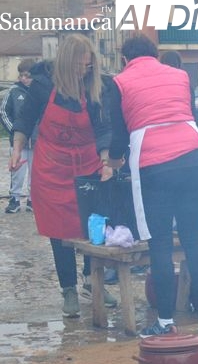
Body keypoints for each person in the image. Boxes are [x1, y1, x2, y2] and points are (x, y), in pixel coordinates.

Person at [105, 35, 198, 337]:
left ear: (124, 59)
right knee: (193, 237)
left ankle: (166, 321)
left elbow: (118, 132)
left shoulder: (119, 82)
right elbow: (189, 114)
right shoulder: (180, 75)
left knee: (159, 242)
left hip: (154, 161)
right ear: (155, 54)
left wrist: (114, 161)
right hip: (194, 155)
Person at [8, 34, 117, 317]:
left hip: (87, 165)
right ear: (68, 63)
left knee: (93, 227)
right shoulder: (43, 86)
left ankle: (92, 282)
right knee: (60, 233)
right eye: (82, 65)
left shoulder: (97, 86)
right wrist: (17, 150)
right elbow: (24, 120)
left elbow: (104, 128)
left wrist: (106, 162)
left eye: (89, 65)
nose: (86, 70)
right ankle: (68, 289)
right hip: (51, 168)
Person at [2, 58, 36, 214]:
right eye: (21, 75)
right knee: (17, 170)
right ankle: (14, 199)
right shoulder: (13, 91)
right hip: (18, 142)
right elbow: (4, 112)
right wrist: (13, 131)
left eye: (28, 76)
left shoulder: (39, 92)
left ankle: (32, 199)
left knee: (34, 172)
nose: (24, 79)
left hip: (36, 141)